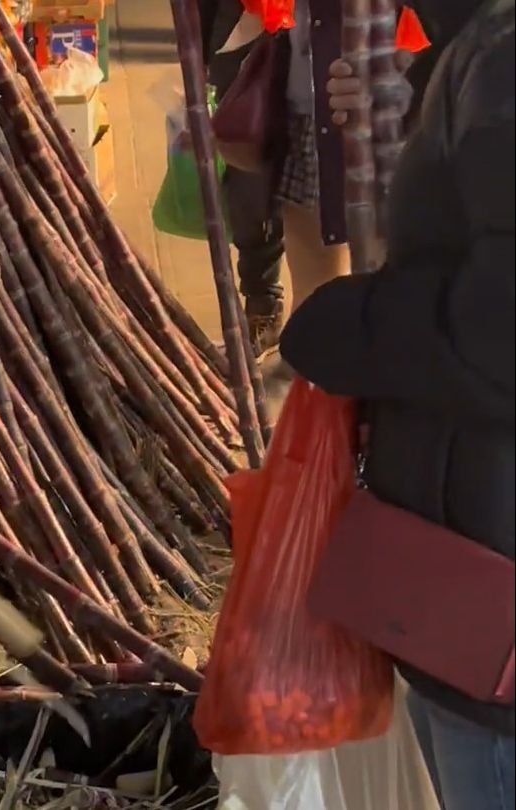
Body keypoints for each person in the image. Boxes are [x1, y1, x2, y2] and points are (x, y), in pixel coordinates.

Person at [282, 1, 514, 808]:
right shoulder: (482, 47)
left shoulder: (505, 52)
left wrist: (354, 327)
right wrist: (415, 111)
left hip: (494, 604)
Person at [200, 0, 287, 357]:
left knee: (322, 182)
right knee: (247, 168)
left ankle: (327, 317)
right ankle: (263, 305)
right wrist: (201, 50)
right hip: (242, 24)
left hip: (324, 25)